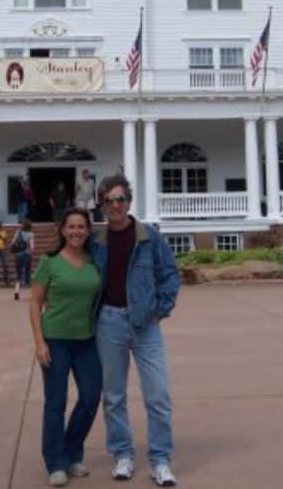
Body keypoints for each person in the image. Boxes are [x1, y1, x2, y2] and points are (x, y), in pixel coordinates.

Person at [89, 173, 181, 487]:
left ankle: (160, 459)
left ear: (128, 201)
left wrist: (160, 309)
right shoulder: (96, 241)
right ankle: (123, 454)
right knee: (113, 396)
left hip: (145, 324)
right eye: (108, 200)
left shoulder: (149, 237)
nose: (115, 205)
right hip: (109, 323)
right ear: (101, 205)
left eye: (120, 199)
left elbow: (170, 274)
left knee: (157, 395)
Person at [30, 208, 103, 487]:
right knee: (55, 403)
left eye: (81, 227)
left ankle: (73, 453)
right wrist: (39, 342)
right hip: (56, 341)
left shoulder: (95, 262)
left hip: (87, 341)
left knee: (90, 397)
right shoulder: (50, 262)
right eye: (71, 227)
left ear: (88, 230)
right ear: (62, 230)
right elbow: (35, 303)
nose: (76, 232)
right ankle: (56, 462)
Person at [12, 218, 35, 301]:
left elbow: (12, 243)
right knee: (27, 274)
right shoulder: (31, 234)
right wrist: (31, 252)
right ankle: (32, 294)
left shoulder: (18, 232)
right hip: (27, 255)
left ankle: (16, 291)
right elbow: (32, 247)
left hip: (18, 255)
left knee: (19, 274)